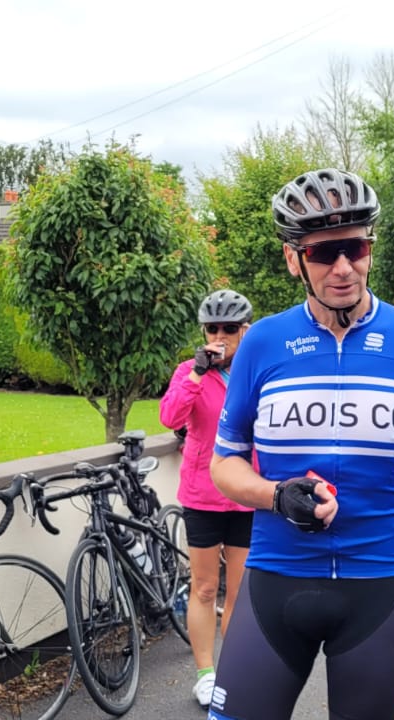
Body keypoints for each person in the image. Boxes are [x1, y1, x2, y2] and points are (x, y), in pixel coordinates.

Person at [208, 168, 394, 720]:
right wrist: (277, 495)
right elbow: (224, 462)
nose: (344, 267)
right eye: (325, 253)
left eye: (356, 247)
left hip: (379, 588)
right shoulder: (262, 342)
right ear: (293, 260)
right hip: (276, 582)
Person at [159, 289, 258, 708]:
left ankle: (232, 673)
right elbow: (170, 417)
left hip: (248, 492)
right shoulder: (190, 370)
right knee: (203, 588)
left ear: (244, 330)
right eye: (213, 329)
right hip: (203, 493)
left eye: (229, 328)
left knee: (238, 592)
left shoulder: (258, 369)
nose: (221, 336)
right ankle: (205, 673)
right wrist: (199, 373)